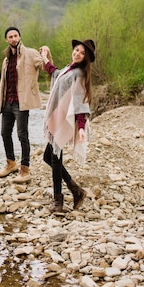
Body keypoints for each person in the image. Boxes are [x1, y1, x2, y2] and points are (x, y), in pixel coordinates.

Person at [39, 39, 95, 213]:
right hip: (57, 117)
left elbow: (79, 102)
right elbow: (55, 74)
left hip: (65, 120)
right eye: (76, 50)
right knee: (48, 157)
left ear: (86, 58)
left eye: (82, 53)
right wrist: (45, 57)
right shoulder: (68, 69)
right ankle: (76, 190)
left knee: (55, 158)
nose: (77, 53)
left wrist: (80, 127)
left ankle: (58, 201)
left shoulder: (79, 74)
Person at [0, 26, 45, 183]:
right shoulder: (6, 59)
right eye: (10, 37)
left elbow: (43, 65)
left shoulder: (29, 53)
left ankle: (25, 169)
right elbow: (3, 83)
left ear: (20, 37)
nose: (13, 38)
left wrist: (45, 53)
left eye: (15, 35)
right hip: (7, 103)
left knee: (22, 135)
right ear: (6, 40)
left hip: (21, 102)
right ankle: (11, 164)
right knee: (4, 133)